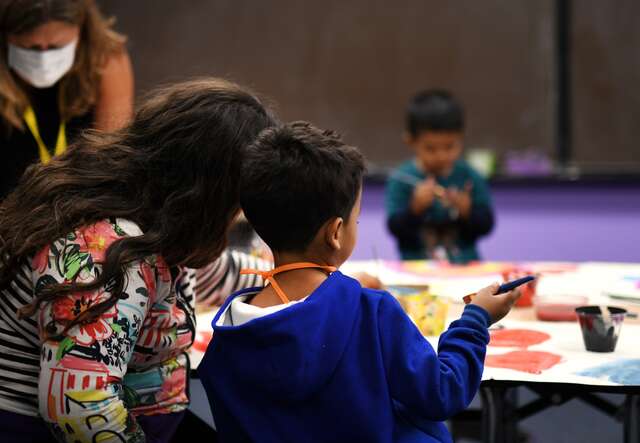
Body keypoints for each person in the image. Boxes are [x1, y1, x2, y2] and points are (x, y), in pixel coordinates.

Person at [198, 121, 520, 442]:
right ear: (336, 233)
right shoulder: (373, 313)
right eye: (357, 218)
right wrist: (476, 320)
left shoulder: (227, 341)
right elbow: (441, 392)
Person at [0, 78, 275, 442]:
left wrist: (295, 275)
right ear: (212, 192)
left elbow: (211, 274)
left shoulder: (154, 212)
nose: (239, 215)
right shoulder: (107, 251)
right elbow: (81, 409)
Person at [0, 0, 134, 199]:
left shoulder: (106, 59)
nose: (44, 59)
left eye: (56, 47)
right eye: (32, 48)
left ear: (80, 31)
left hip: (74, 202)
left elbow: (109, 161)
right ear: (7, 37)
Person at [385, 90, 494, 263]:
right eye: (431, 148)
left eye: (450, 146)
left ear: (461, 138)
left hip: (465, 269)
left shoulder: (470, 176)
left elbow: (486, 226)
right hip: (416, 269)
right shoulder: (401, 178)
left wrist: (468, 212)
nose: (442, 156)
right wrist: (415, 209)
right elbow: (395, 229)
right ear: (410, 141)